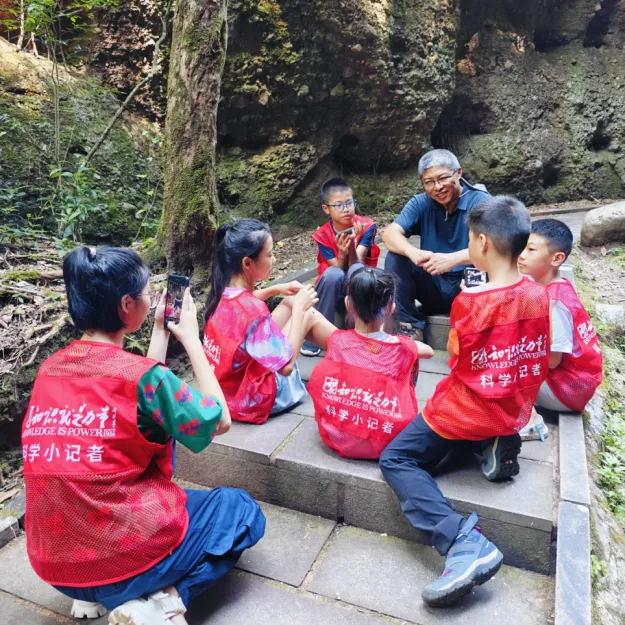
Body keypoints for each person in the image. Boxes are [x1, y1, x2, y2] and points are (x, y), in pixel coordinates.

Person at [21, 246, 265, 625]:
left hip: (53, 562)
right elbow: (218, 420)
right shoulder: (145, 379)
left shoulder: (49, 370)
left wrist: (160, 332)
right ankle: (159, 605)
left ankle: (95, 597)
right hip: (120, 558)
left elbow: (141, 398)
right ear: (126, 305)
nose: (152, 300)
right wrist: (192, 339)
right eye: (148, 292)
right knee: (240, 510)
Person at [380, 196, 551, 607]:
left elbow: (458, 360)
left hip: (465, 409)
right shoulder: (539, 294)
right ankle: (492, 439)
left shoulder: (470, 302)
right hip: (514, 405)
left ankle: (461, 539)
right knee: (464, 423)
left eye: (471, 239)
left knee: (396, 459)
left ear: (482, 244)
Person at [203, 219, 337, 423]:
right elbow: (286, 367)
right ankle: (355, 351)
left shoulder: (221, 292)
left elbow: (242, 308)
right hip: (253, 399)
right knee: (306, 314)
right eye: (270, 254)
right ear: (247, 263)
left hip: (227, 391)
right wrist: (300, 311)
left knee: (289, 302)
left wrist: (276, 289)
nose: (274, 259)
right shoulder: (253, 312)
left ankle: (351, 348)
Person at [308, 267, 433, 459]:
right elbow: (429, 352)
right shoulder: (402, 346)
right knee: (410, 358)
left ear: (348, 304)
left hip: (337, 436)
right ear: (391, 308)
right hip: (386, 438)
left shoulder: (337, 340)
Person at [383, 149, 490, 341]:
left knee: (484, 269)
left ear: (458, 173)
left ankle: (477, 332)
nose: (438, 187)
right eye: (429, 182)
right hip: (433, 285)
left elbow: (497, 246)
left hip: (468, 287)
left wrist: (453, 259)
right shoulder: (421, 203)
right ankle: (409, 326)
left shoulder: (482, 202)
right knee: (395, 257)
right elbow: (389, 233)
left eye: (443, 178)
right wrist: (412, 252)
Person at [518, 219, 603, 439]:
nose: (522, 255)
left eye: (531, 250)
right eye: (523, 247)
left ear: (556, 259)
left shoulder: (555, 301)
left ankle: (532, 422)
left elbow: (553, 360)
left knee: (499, 368)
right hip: (574, 382)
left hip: (568, 389)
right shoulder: (556, 286)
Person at [301, 178, 381, 356]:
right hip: (334, 288)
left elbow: (357, 262)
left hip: (360, 286)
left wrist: (351, 243)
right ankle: (315, 334)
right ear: (326, 209)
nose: (346, 209)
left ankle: (364, 332)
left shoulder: (366, 226)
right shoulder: (322, 235)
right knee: (333, 273)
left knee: (355, 270)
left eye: (349, 203)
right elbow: (336, 266)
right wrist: (342, 253)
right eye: (338, 205)